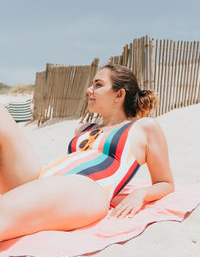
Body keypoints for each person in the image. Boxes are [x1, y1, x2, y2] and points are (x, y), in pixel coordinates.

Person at [0, 64, 174, 241]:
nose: (89, 90)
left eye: (98, 85)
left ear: (119, 94)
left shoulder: (143, 128)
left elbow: (165, 183)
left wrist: (141, 193)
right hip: (43, 178)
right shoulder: (84, 128)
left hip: (87, 188)